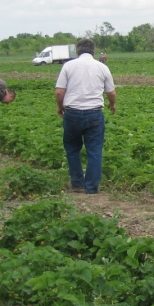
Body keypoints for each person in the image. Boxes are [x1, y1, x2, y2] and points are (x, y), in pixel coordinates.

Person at [55, 38, 116, 194]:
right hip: (94, 113)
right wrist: (112, 104)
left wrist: (60, 107)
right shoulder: (102, 67)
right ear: (94, 52)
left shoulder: (68, 66)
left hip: (72, 113)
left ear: (77, 51)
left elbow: (59, 91)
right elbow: (111, 92)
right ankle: (91, 188)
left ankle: (77, 183)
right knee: (94, 150)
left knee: (72, 148)